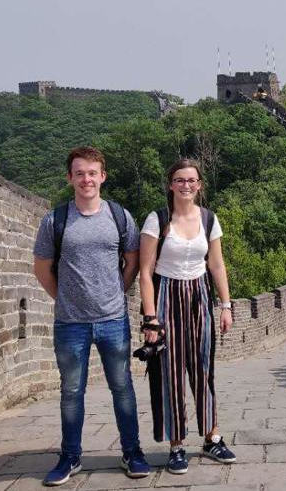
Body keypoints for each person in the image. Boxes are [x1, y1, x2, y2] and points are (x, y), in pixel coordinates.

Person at [33, 146, 149, 485]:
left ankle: (132, 451)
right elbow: (41, 269)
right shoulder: (55, 220)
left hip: (113, 320)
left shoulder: (119, 216)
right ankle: (70, 457)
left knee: (122, 387)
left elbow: (132, 259)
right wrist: (65, 298)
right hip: (71, 323)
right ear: (70, 177)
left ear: (103, 176)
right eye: (80, 173)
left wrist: (117, 291)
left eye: (92, 173)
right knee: (71, 391)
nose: (86, 179)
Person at [139, 158, 236, 475]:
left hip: (199, 298)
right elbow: (145, 271)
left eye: (191, 180)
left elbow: (217, 266)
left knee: (203, 371)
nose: (186, 185)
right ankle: (176, 445)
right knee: (171, 374)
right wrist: (151, 318)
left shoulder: (209, 219)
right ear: (171, 184)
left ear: (199, 185)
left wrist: (225, 305)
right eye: (180, 180)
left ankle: (212, 438)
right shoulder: (158, 220)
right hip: (167, 296)